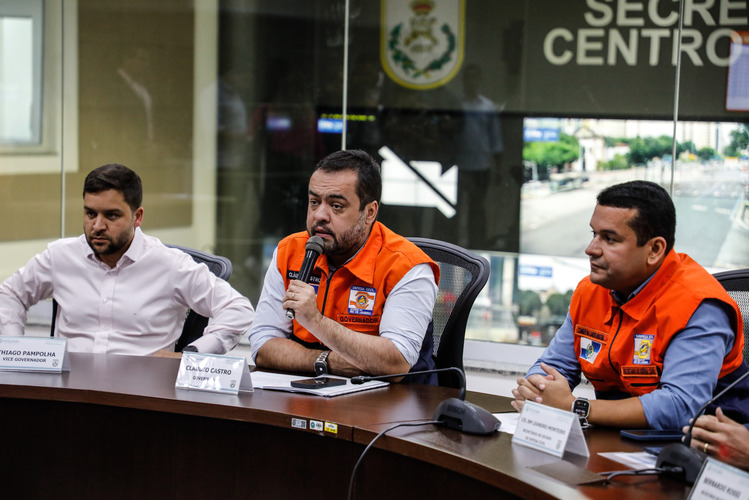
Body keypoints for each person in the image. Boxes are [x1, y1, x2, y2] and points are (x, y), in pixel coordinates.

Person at [511, 180, 749, 429]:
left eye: (610, 239)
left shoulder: (698, 305)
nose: (591, 249)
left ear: (655, 249)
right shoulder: (591, 290)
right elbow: (554, 366)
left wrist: (575, 407)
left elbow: (679, 407)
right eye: (594, 234)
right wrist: (537, 392)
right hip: (620, 438)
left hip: (703, 448)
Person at [0, 164, 254, 357]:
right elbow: (10, 294)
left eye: (111, 215)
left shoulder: (170, 265)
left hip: (141, 398)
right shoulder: (60, 256)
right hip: (70, 392)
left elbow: (238, 309)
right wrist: (17, 349)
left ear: (137, 216)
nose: (97, 226)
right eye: (90, 214)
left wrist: (192, 356)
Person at [247, 149, 440, 381]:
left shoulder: (407, 266)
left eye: (336, 206)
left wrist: (315, 321)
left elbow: (395, 363)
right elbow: (262, 345)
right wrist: (327, 362)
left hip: (394, 403)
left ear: (369, 212)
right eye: (314, 202)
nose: (320, 215)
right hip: (310, 394)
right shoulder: (290, 251)